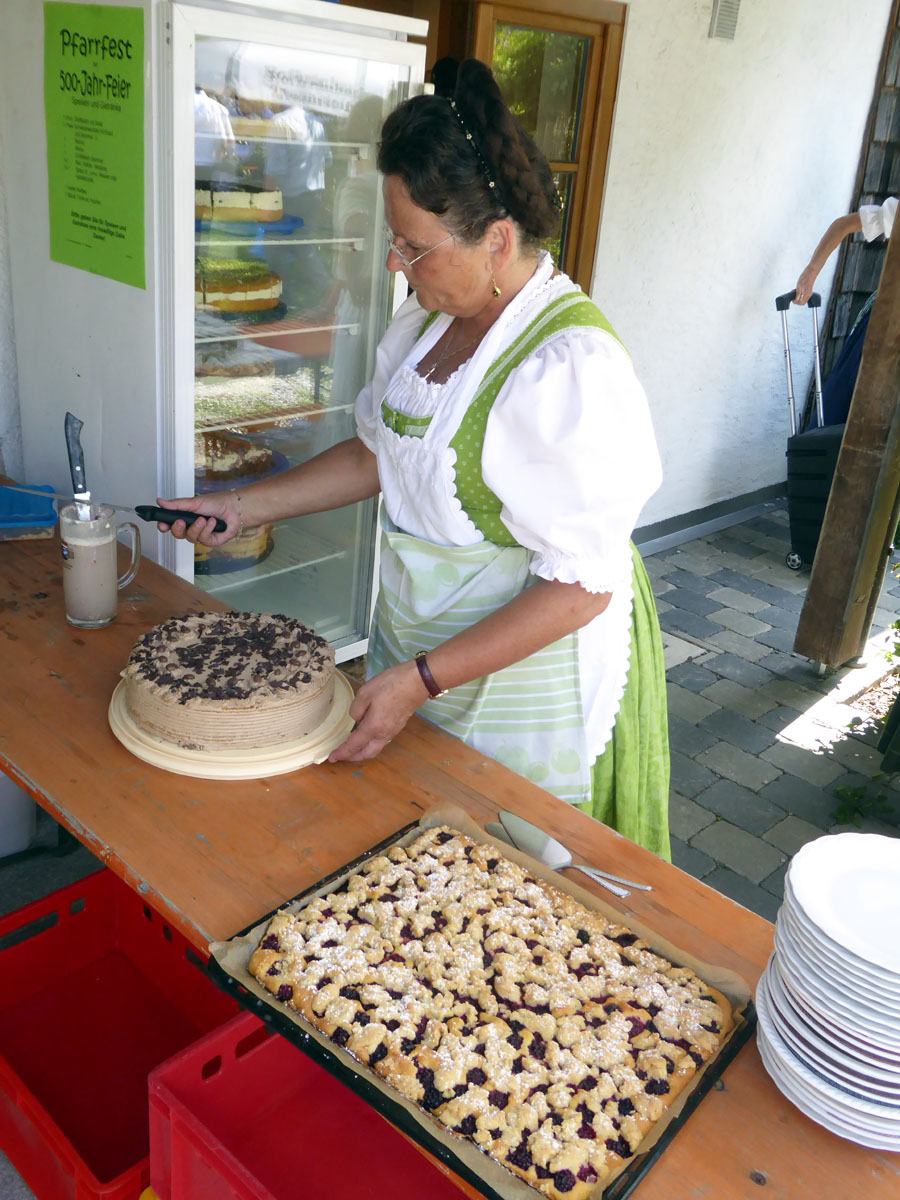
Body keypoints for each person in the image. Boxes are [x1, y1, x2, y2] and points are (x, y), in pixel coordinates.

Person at [159, 59, 671, 859]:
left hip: (521, 691)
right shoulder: (427, 323)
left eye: (414, 246)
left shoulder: (567, 369)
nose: (395, 264)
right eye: (394, 240)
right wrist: (243, 507)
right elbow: (379, 453)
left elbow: (580, 589)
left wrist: (425, 678)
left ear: (497, 240)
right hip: (422, 659)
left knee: (502, 888)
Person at [793, 195, 896, 427]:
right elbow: (844, 225)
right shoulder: (897, 213)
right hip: (883, 322)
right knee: (839, 405)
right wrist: (811, 271)